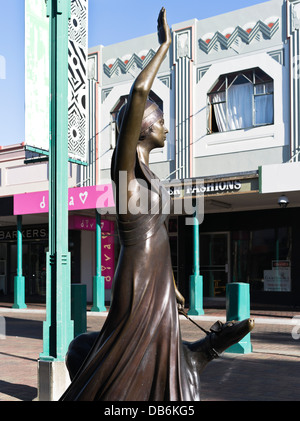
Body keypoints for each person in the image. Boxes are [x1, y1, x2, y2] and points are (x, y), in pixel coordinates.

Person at [60, 8, 254, 401]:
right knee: (126, 351)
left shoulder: (152, 178)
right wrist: (164, 46)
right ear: (146, 127)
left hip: (157, 277)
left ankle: (199, 356)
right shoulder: (125, 172)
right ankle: (200, 354)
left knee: (157, 351)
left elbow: (159, 240)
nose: (167, 127)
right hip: (137, 279)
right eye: (161, 121)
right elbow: (137, 95)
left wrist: (173, 284)